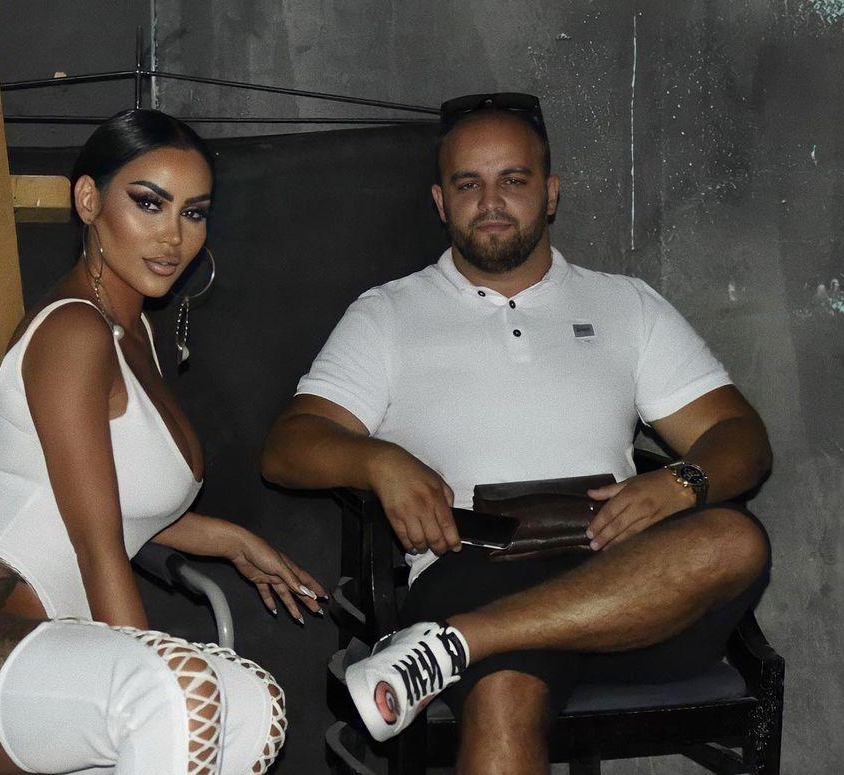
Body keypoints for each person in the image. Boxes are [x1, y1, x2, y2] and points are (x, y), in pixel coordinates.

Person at [261, 93, 772, 773]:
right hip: (477, 566)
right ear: (441, 202)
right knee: (504, 693)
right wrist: (376, 459)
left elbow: (740, 435)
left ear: (550, 193)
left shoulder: (627, 305)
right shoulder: (388, 315)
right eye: (468, 184)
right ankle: (471, 639)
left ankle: (453, 646)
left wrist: (680, 484)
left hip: (629, 577)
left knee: (736, 537)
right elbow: (289, 446)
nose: (491, 202)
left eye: (513, 180)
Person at [0, 109, 325, 775]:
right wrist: (151, 663)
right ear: (88, 200)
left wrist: (225, 537)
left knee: (254, 703)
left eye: (193, 213)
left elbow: (104, 494)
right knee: (179, 693)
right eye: (149, 203)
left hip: (45, 645)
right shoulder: (74, 332)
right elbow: (94, 540)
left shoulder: (134, 333)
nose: (173, 236)